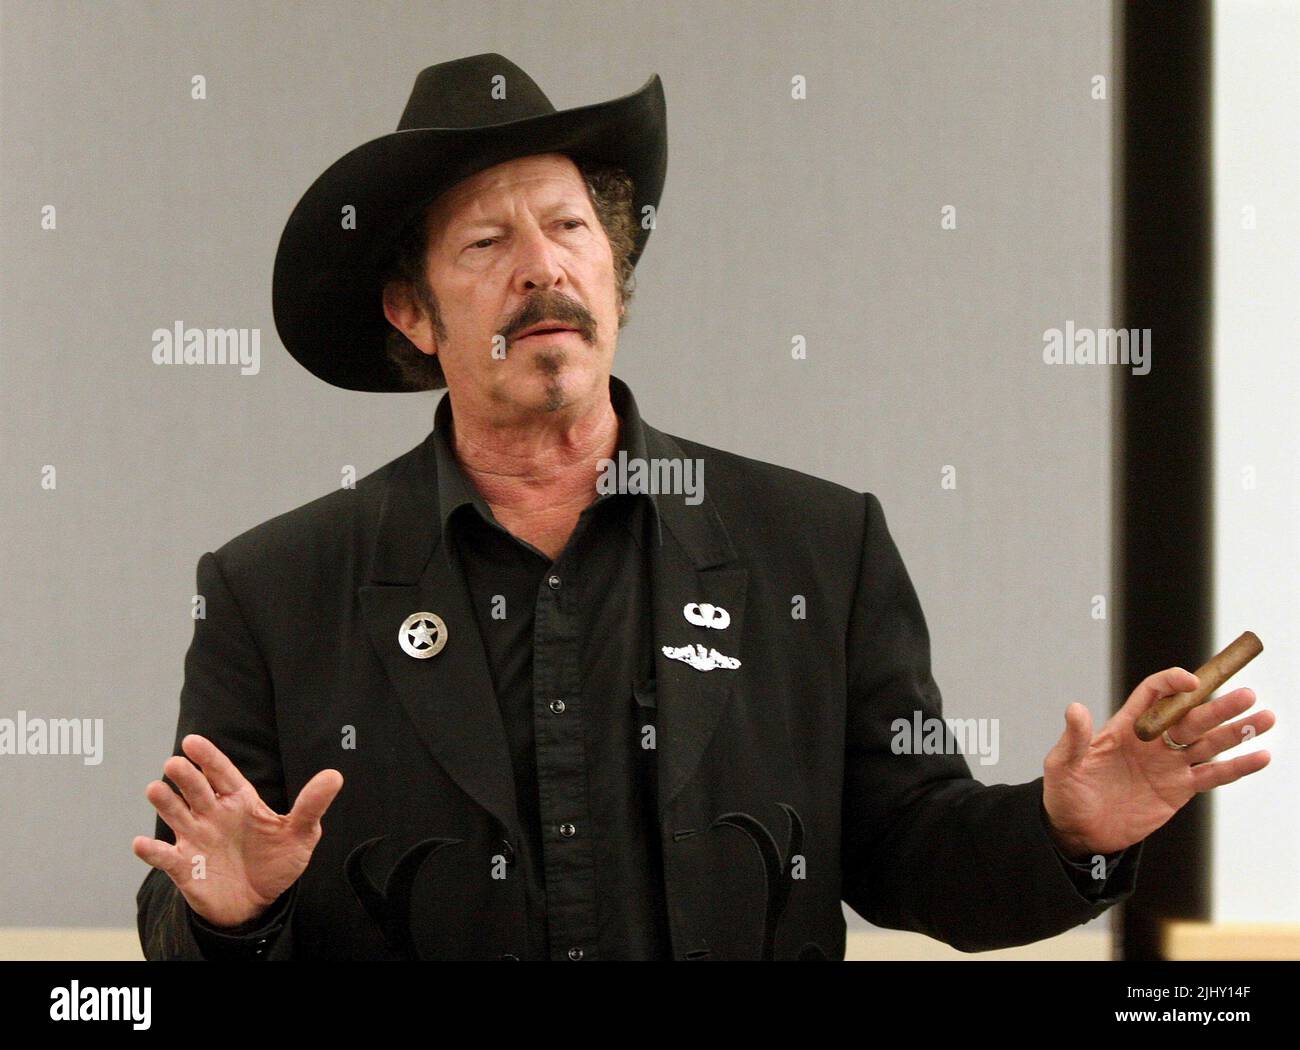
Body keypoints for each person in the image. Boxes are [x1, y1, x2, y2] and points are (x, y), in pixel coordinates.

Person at [133, 53, 1275, 961]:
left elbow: (911, 856)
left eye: (571, 228)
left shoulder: (816, 547)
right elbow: (193, 888)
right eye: (487, 241)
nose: (543, 267)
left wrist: (1065, 828)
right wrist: (233, 918)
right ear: (414, 315)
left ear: (613, 276)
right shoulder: (272, 590)